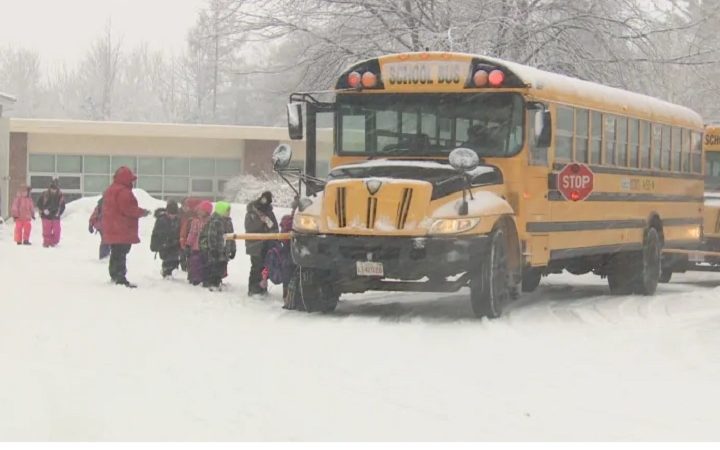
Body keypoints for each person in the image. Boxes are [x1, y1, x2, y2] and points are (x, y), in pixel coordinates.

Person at [102, 166, 150, 288]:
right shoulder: (123, 192)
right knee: (121, 253)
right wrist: (142, 212)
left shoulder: (110, 190)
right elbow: (128, 209)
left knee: (116, 252)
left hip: (112, 227)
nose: (132, 182)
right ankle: (120, 277)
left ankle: (114, 274)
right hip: (122, 228)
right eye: (131, 179)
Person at [245, 191, 278, 295]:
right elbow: (249, 227)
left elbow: (274, 227)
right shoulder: (251, 212)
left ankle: (262, 288)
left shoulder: (269, 212)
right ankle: (253, 289)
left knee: (265, 267)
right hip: (255, 244)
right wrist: (261, 222)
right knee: (256, 266)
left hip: (267, 244)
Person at [199, 201, 236, 291]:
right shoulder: (214, 222)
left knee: (222, 266)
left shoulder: (228, 222)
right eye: (227, 211)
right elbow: (211, 236)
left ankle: (217, 281)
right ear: (221, 211)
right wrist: (213, 249)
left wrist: (233, 249)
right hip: (216, 250)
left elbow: (231, 236)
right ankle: (212, 283)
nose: (228, 213)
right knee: (214, 266)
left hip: (225, 250)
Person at [150, 199, 182, 278]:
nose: (172, 216)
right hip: (164, 243)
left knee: (174, 258)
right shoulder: (161, 220)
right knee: (167, 258)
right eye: (171, 214)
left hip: (174, 243)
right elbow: (156, 234)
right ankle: (166, 271)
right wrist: (155, 245)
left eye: (174, 214)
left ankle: (172, 270)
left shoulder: (177, 220)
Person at [185, 200, 213, 286]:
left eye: (202, 210)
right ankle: (195, 278)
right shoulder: (196, 221)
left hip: (207, 247)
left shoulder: (211, 222)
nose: (199, 212)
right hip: (196, 246)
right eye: (199, 210)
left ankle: (206, 278)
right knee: (195, 262)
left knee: (206, 263)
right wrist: (188, 244)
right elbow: (192, 233)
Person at [35, 179, 66, 247]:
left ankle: (53, 242)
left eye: (55, 189)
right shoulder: (44, 194)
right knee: (46, 231)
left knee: (57, 231)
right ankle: (46, 243)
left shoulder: (60, 195)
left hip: (56, 216)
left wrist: (59, 213)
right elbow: (39, 204)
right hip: (46, 216)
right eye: (52, 188)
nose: (53, 190)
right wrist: (43, 210)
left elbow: (63, 206)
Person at [178, 197, 203, 271]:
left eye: (187, 205)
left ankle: (189, 267)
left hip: (190, 237)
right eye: (184, 205)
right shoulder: (181, 213)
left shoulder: (193, 214)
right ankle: (185, 267)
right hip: (183, 235)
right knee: (183, 252)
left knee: (189, 253)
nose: (186, 207)